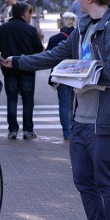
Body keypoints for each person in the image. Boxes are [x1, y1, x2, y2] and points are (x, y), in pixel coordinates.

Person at [3, 0, 110, 220]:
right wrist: (18, 61)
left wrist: (82, 71)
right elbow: (55, 55)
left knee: (106, 180)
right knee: (84, 180)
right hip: (81, 118)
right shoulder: (83, 27)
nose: (77, 1)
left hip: (106, 118)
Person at [0, 1, 44, 139]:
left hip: (9, 68)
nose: (30, 15)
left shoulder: (3, 28)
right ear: (23, 14)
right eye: (29, 12)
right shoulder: (30, 29)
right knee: (28, 100)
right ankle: (28, 131)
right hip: (26, 68)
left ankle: (12, 130)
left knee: (12, 99)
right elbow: (38, 49)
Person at [46, 12, 77, 140]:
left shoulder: (55, 38)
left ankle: (67, 132)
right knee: (74, 103)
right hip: (77, 75)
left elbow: (48, 56)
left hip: (60, 76)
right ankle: (74, 128)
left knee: (64, 103)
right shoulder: (79, 36)